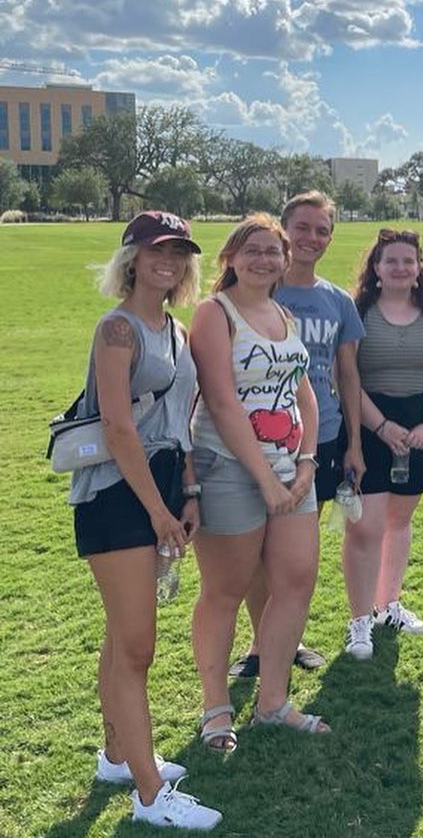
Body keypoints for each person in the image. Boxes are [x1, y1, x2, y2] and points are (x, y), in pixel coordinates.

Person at [70, 211, 221, 830]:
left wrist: (187, 492)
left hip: (160, 483)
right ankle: (151, 794)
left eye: (179, 252)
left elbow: (182, 421)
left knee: (121, 634)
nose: (169, 260)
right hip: (115, 490)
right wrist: (158, 512)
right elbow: (117, 427)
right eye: (158, 249)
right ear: (131, 256)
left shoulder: (177, 331)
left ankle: (116, 756)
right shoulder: (118, 330)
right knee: (138, 648)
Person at [190, 214, 329, 747]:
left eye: (273, 251)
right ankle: (216, 709)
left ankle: (272, 703)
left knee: (296, 582)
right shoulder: (215, 314)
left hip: (292, 470)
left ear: (285, 260)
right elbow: (222, 402)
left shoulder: (283, 315)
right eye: (252, 250)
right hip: (228, 470)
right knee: (224, 592)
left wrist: (308, 461)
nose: (263, 259)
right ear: (230, 257)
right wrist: (265, 480)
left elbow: (305, 393)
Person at [228, 191, 365, 678]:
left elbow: (347, 375)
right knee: (253, 550)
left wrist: (352, 442)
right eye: (301, 228)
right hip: (253, 441)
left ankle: (285, 639)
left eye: (322, 230)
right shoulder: (255, 288)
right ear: (283, 232)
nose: (311, 238)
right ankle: (262, 644)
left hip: (319, 438)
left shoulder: (338, 302)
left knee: (293, 552)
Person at [343, 228, 423, 658]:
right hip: (369, 423)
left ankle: (388, 604)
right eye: (390, 260)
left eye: (408, 260)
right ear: (375, 267)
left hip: (421, 427)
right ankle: (359, 621)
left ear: (419, 267)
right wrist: (380, 426)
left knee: (398, 519)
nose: (400, 267)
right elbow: (347, 377)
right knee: (365, 525)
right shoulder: (357, 312)